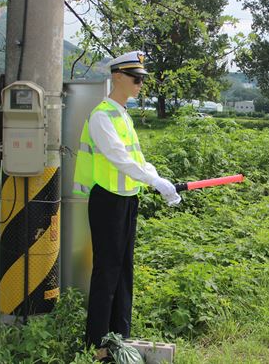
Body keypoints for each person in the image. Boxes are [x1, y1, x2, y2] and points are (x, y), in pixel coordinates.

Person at [72, 50, 181, 358]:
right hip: (107, 201)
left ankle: (121, 338)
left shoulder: (122, 115)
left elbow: (136, 158)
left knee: (123, 271)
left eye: (142, 80)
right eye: (135, 79)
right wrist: (154, 182)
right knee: (107, 272)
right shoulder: (102, 116)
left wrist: (159, 179)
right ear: (117, 77)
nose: (139, 85)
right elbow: (118, 158)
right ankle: (97, 345)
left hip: (126, 200)